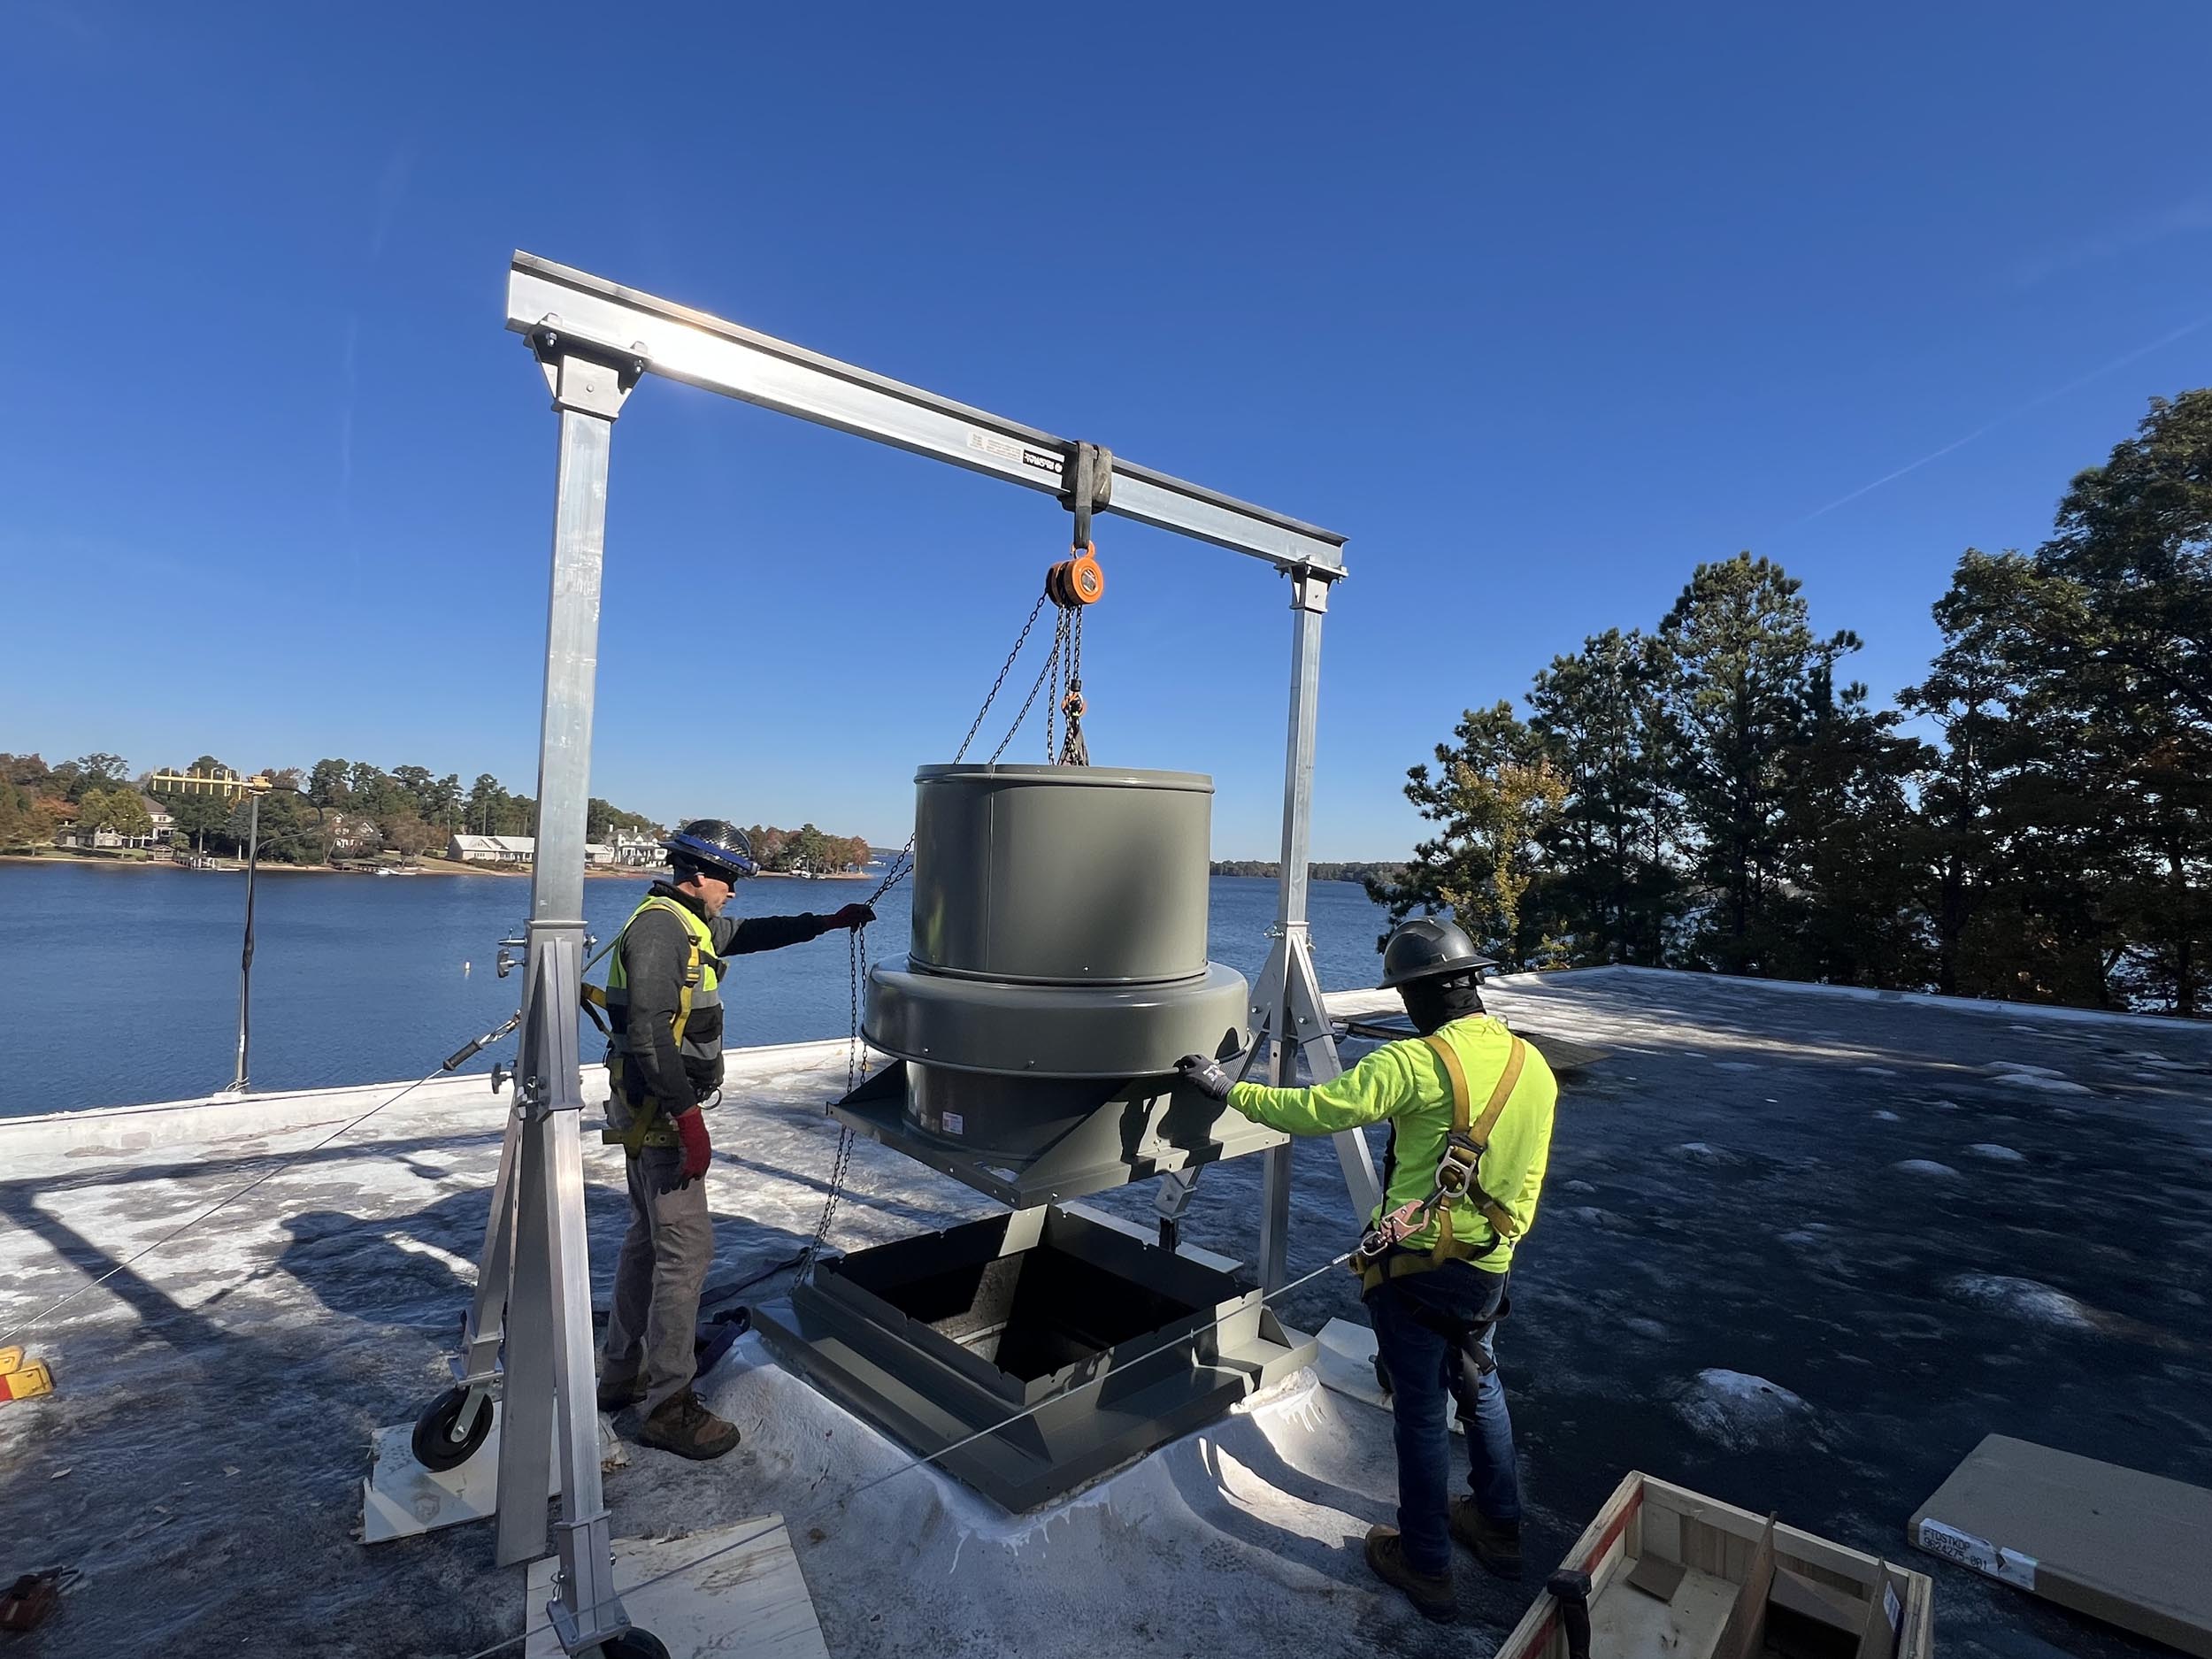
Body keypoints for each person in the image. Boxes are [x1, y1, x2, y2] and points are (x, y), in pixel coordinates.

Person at [1177, 917, 1555, 1624]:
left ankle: (1427, 1564)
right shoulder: (1531, 1064)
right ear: (1474, 982)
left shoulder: (1410, 1064)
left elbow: (1315, 1109)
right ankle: (1498, 1528)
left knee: (1418, 1411)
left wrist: (1227, 1088)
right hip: (1490, 1264)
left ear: (1415, 998)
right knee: (1481, 1382)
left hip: (1415, 1266)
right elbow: (1528, 1175)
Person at [595, 818, 873, 1459]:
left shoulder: (684, 917)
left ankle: (621, 1372)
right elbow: (648, 1033)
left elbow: (748, 935)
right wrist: (688, 1119)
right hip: (662, 1112)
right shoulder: (662, 929)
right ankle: (667, 1404)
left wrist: (825, 923)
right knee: (686, 1251)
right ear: (697, 872)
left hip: (647, 1105)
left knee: (647, 1239)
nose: (735, 892)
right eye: (730, 878)